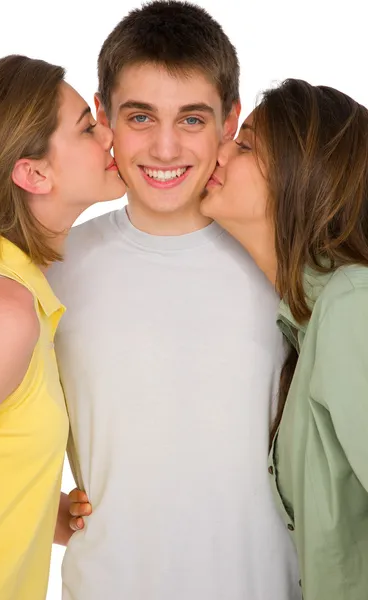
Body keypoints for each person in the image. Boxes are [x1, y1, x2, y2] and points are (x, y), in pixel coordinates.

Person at [49, 2, 301, 599]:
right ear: (104, 117)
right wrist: (42, 504)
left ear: (230, 123)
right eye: (140, 117)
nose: (165, 149)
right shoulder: (55, 268)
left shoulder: (278, 266)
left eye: (192, 120)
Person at [200, 77, 368, 600]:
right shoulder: (306, 319)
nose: (219, 150)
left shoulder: (350, 306)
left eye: (245, 144)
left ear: (304, 176)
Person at [0, 54, 125, 600]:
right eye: (86, 126)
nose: (109, 132)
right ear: (33, 173)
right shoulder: (4, 309)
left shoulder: (22, 295)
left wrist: (35, 503)